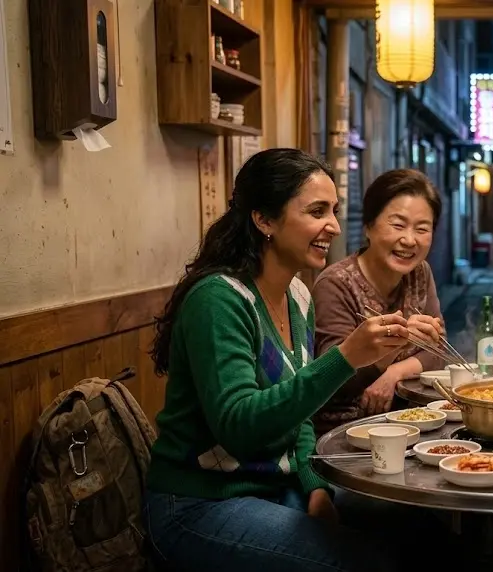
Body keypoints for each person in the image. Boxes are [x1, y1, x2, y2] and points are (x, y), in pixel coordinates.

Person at [143, 149, 442, 571]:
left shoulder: (298, 296)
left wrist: (315, 489)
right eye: (317, 211)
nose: (334, 227)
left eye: (334, 211)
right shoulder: (219, 300)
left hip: (277, 486)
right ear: (264, 219)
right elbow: (240, 427)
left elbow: (302, 420)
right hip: (200, 501)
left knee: (422, 526)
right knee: (367, 563)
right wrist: (346, 357)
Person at [312, 168, 445, 433]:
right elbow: (332, 379)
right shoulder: (336, 284)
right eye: (397, 225)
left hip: (411, 423)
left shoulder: (419, 273)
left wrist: (393, 374)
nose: (409, 240)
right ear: (369, 226)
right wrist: (394, 347)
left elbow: (438, 350)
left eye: (422, 229)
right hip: (346, 431)